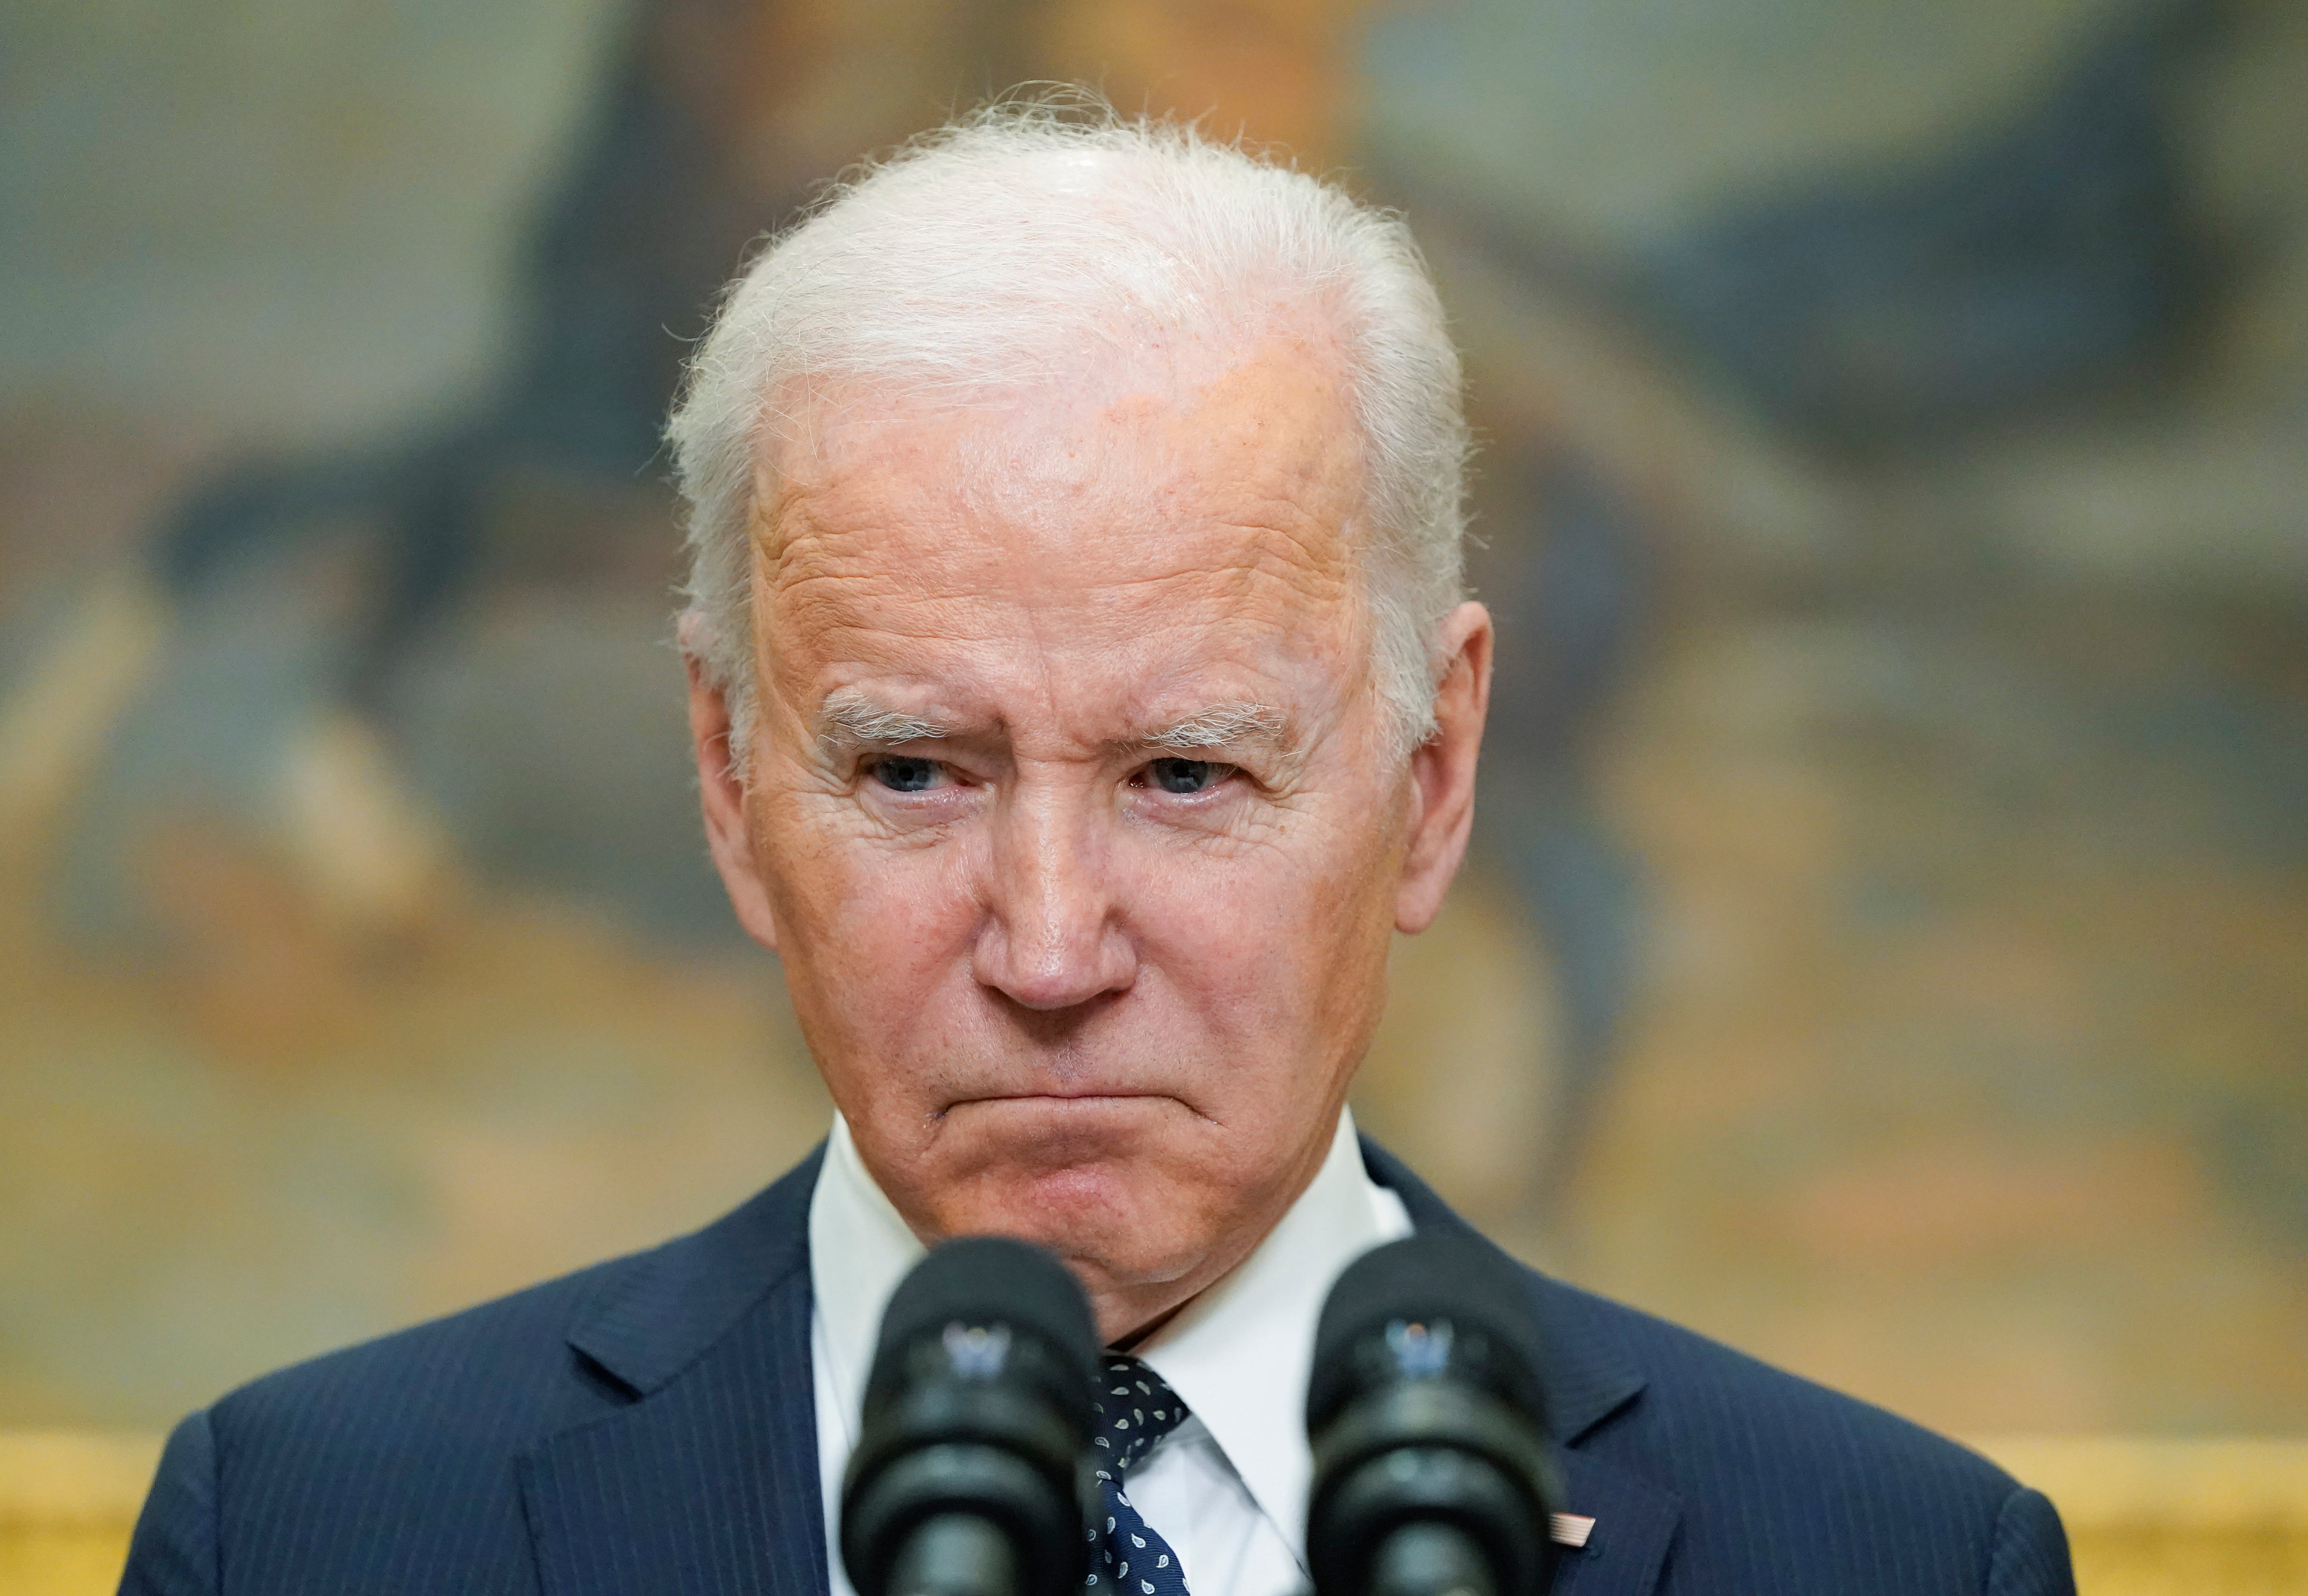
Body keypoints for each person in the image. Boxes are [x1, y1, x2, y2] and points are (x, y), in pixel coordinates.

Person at [117, 105, 2076, 1596]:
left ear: (1436, 767)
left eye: (1188, 776)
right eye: (912, 776)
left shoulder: (1887, 1558)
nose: (1050, 952)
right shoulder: (316, 1531)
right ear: (727, 781)